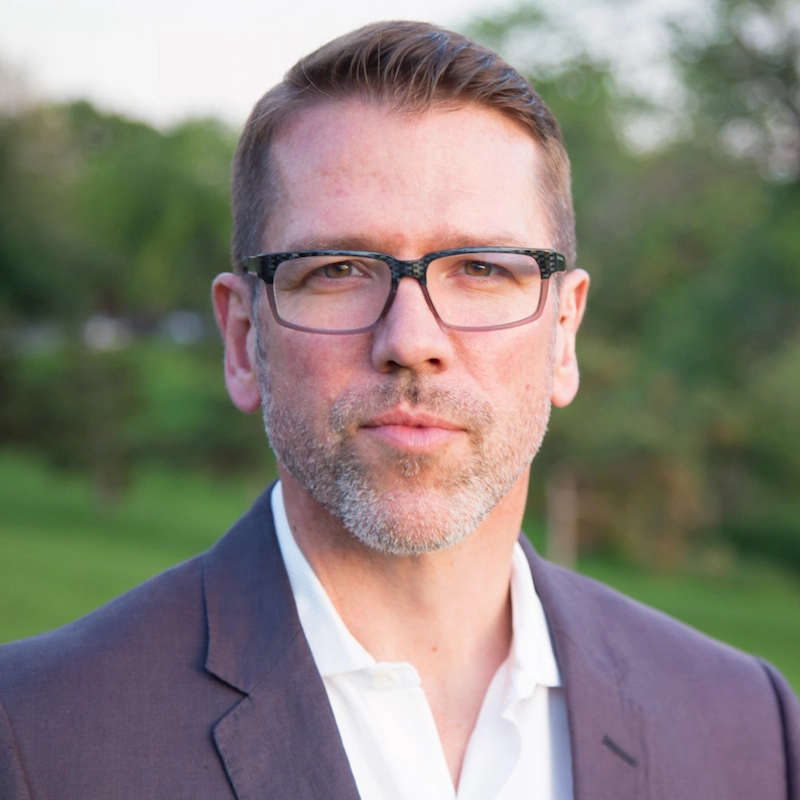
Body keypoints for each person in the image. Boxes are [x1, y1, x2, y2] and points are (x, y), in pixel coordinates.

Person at [0, 20, 797, 800]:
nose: (411, 341)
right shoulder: (36, 736)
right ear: (243, 340)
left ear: (564, 334)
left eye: (481, 268)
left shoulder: (749, 729)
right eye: (339, 268)